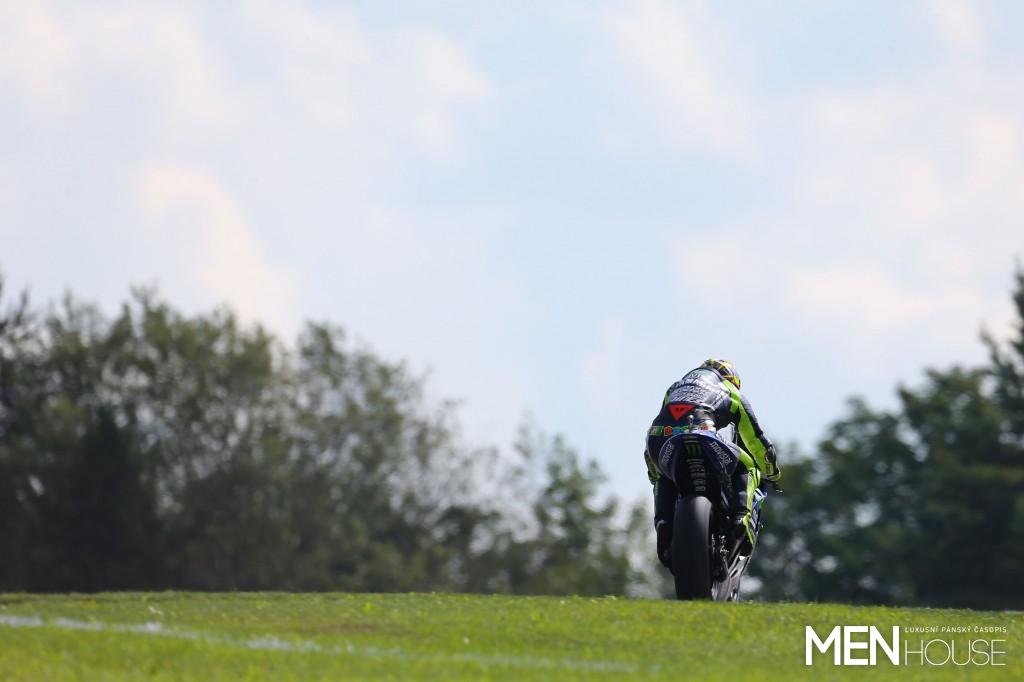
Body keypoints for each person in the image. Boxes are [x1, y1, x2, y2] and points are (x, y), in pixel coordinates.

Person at [643, 358, 780, 567]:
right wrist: (772, 473)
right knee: (748, 466)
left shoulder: (675, 387)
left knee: (663, 477)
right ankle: (741, 518)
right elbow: (756, 441)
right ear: (731, 379)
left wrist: (655, 472)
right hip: (703, 432)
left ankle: (663, 522)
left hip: (658, 438)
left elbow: (664, 419)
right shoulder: (730, 390)